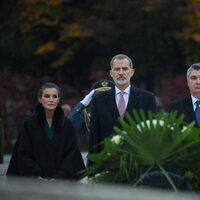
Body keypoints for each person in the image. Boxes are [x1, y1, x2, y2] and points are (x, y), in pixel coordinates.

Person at [7, 82, 85, 180]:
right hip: (34, 183)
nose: (51, 100)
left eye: (54, 96)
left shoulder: (67, 125)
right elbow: (23, 154)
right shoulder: (29, 125)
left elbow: (72, 156)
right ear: (40, 99)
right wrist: (36, 175)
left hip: (62, 184)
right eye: (47, 96)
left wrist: (59, 177)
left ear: (58, 99)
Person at [88, 54, 156, 158]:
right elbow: (94, 136)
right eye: (117, 69)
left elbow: (151, 134)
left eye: (124, 69)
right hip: (107, 161)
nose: (121, 73)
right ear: (111, 73)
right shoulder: (99, 100)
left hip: (138, 161)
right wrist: (92, 169)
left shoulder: (147, 99)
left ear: (132, 72)